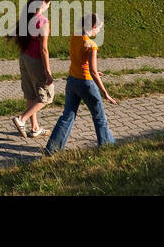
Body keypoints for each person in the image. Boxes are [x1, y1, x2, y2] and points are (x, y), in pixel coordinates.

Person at [44, 13, 117, 155]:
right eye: (99, 28)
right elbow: (93, 72)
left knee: (67, 116)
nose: (99, 31)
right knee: (99, 116)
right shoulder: (91, 45)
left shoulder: (74, 36)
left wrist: (94, 71)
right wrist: (105, 92)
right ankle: (107, 146)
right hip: (86, 84)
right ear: (93, 26)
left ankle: (52, 149)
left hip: (72, 81)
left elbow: (80, 60)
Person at [9, 0, 54, 139]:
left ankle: (35, 128)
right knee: (47, 96)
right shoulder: (43, 22)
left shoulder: (27, 16)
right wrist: (48, 72)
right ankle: (21, 119)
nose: (49, 6)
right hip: (35, 60)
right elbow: (44, 50)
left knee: (31, 94)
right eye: (49, 3)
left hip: (24, 58)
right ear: (45, 3)